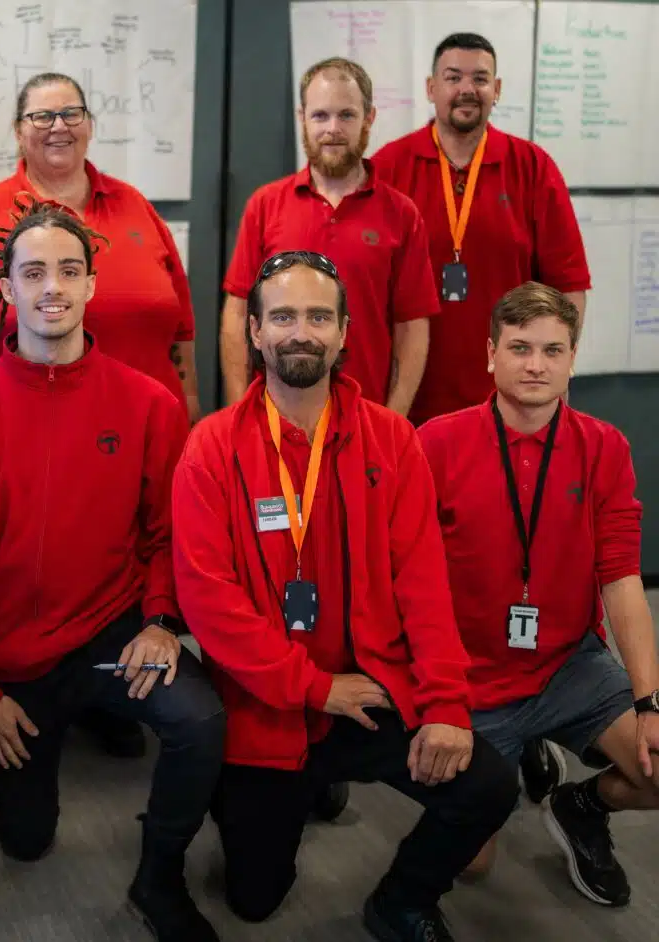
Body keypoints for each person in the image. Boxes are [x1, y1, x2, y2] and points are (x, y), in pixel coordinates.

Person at [172, 251, 518, 942]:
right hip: (271, 705)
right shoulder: (210, 448)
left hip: (371, 693)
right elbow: (210, 605)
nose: (302, 332)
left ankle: (402, 901)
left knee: (488, 784)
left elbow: (423, 582)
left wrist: (446, 702)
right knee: (254, 900)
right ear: (256, 332)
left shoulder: (392, 439)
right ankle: (275, 789)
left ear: (344, 332)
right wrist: (314, 688)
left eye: (318, 317)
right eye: (284, 316)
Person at [0, 204, 225, 942]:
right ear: (9, 290)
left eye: (67, 270)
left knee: (201, 720)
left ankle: (160, 876)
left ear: (91, 285)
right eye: (33, 272)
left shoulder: (149, 404)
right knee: (26, 844)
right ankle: (7, 734)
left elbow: (164, 535)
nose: (51, 287)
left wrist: (160, 621)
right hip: (14, 659)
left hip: (111, 635)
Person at [0, 71, 196, 766]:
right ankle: (9, 693)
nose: (57, 126)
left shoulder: (134, 208)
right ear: (17, 131)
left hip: (138, 444)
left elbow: (180, 333)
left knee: (129, 572)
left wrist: (187, 430)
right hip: (34, 451)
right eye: (40, 116)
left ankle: (100, 695)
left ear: (90, 123)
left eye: (71, 112)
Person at [371, 32, 591, 797]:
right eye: (454, 76)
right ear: (430, 86)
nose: (467, 88)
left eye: (481, 79)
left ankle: (517, 718)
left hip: (511, 420)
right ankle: (422, 709)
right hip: (413, 416)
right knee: (414, 576)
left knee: (508, 570)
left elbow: (568, 287)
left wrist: (546, 381)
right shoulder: (391, 167)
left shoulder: (531, 169)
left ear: (498, 91)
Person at [419, 282, 659, 907]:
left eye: (553, 350)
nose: (535, 364)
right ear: (490, 354)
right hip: (473, 677)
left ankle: (582, 806)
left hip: (566, 663)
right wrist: (435, 695)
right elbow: (407, 583)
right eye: (520, 347)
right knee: (469, 865)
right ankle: (519, 746)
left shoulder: (604, 447)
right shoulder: (435, 443)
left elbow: (623, 581)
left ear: (572, 359)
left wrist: (650, 700)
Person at [220, 57, 439, 416]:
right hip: (275, 417)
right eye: (320, 116)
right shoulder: (265, 205)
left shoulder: (402, 214)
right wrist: (239, 410)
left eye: (347, 115)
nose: (332, 129)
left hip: (365, 419)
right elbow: (238, 313)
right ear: (301, 118)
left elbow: (412, 328)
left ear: (369, 118)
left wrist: (393, 420)